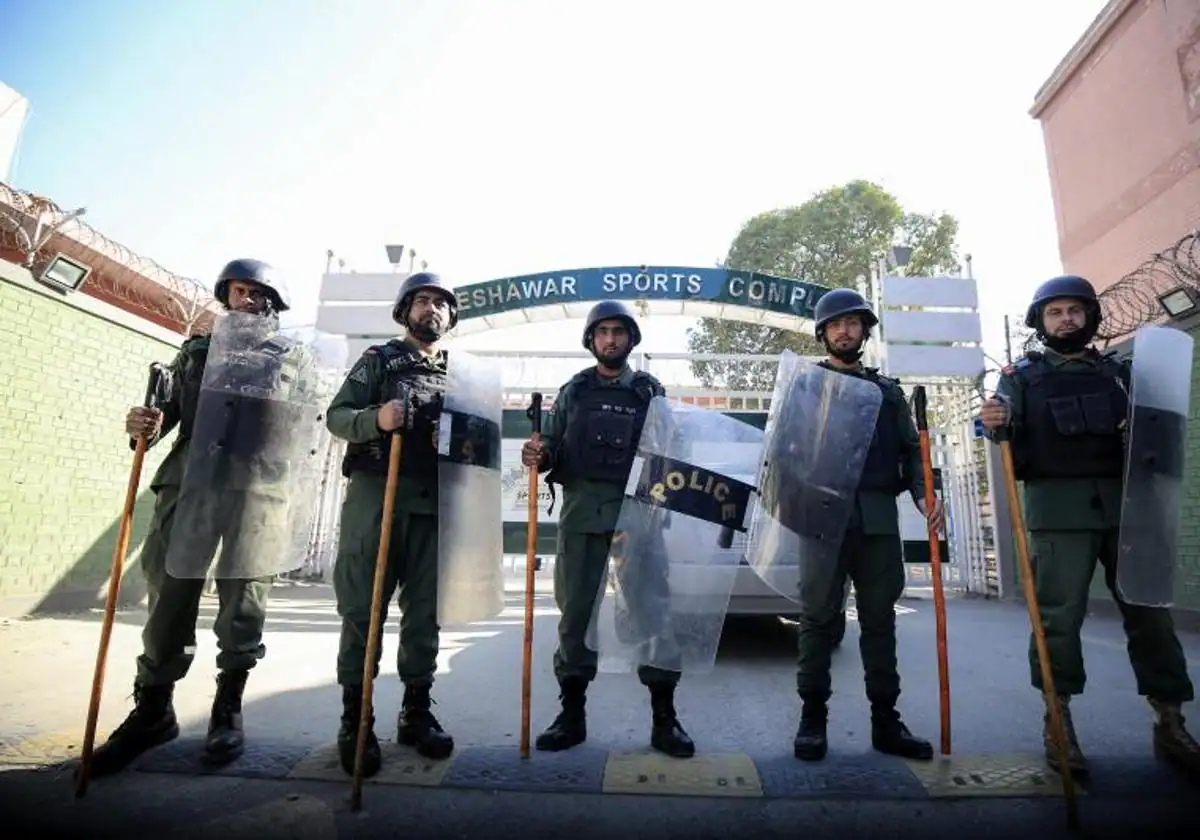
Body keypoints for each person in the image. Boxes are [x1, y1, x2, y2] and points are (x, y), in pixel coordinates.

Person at [89, 258, 308, 776]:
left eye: (259, 294)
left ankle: (227, 708)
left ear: (274, 304)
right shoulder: (198, 352)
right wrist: (145, 423)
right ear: (225, 296)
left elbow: (308, 429)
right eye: (239, 291)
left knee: (244, 600)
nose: (249, 301)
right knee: (170, 590)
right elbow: (165, 420)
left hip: (257, 490)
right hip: (191, 485)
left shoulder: (295, 358)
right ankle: (152, 709)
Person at [980, 274, 1199, 779]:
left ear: (1091, 317)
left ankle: (1170, 720)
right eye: (1055, 313)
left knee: (1152, 616)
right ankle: (1059, 723)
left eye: (1075, 311)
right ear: (1041, 323)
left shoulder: (1122, 372)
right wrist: (994, 420)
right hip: (1059, 513)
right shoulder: (1020, 377)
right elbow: (1002, 423)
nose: (1066, 320)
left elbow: (1158, 428)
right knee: (1058, 619)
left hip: (1129, 510)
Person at [521, 300, 695, 759]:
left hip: (636, 518)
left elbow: (670, 449)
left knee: (651, 614)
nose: (611, 339)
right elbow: (553, 447)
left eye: (619, 332)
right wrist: (539, 456)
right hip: (581, 517)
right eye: (603, 332)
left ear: (630, 340)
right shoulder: (574, 391)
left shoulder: (648, 391)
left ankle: (665, 719)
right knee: (576, 616)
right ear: (592, 339)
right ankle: (571, 715)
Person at [791, 288, 944, 763]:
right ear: (823, 334)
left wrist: (923, 491)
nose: (844, 330)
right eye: (835, 324)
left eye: (853, 323)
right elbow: (785, 451)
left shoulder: (887, 392)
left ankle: (886, 722)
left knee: (880, 621)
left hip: (876, 518)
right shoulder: (805, 388)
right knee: (818, 618)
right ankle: (812, 719)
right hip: (821, 518)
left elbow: (911, 453)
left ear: (864, 332)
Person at [325, 271, 458, 777]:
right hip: (377, 500)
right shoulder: (379, 361)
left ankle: (415, 713)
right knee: (365, 610)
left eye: (442, 304)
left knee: (424, 615)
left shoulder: (458, 374)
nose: (433, 310)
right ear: (406, 311)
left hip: (432, 507)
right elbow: (338, 415)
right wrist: (376, 419)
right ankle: (355, 719)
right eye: (423, 301)